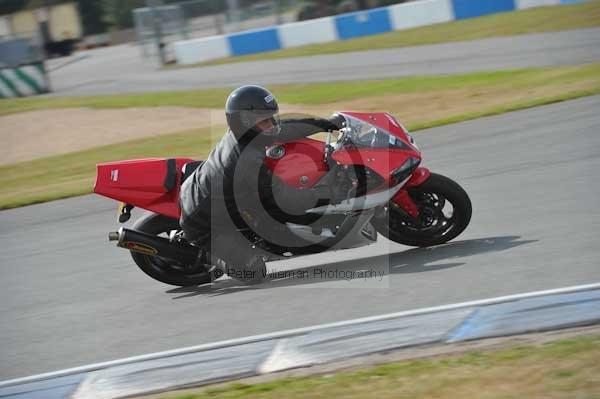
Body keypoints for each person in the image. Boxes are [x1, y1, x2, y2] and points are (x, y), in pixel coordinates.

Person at [179, 85, 342, 283]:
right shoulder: (246, 163)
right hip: (205, 224)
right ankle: (206, 254)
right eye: (265, 121)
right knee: (254, 273)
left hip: (211, 194)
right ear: (245, 123)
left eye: (272, 118)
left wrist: (325, 124)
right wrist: (329, 191)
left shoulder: (248, 136)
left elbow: (284, 129)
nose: (272, 125)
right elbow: (285, 199)